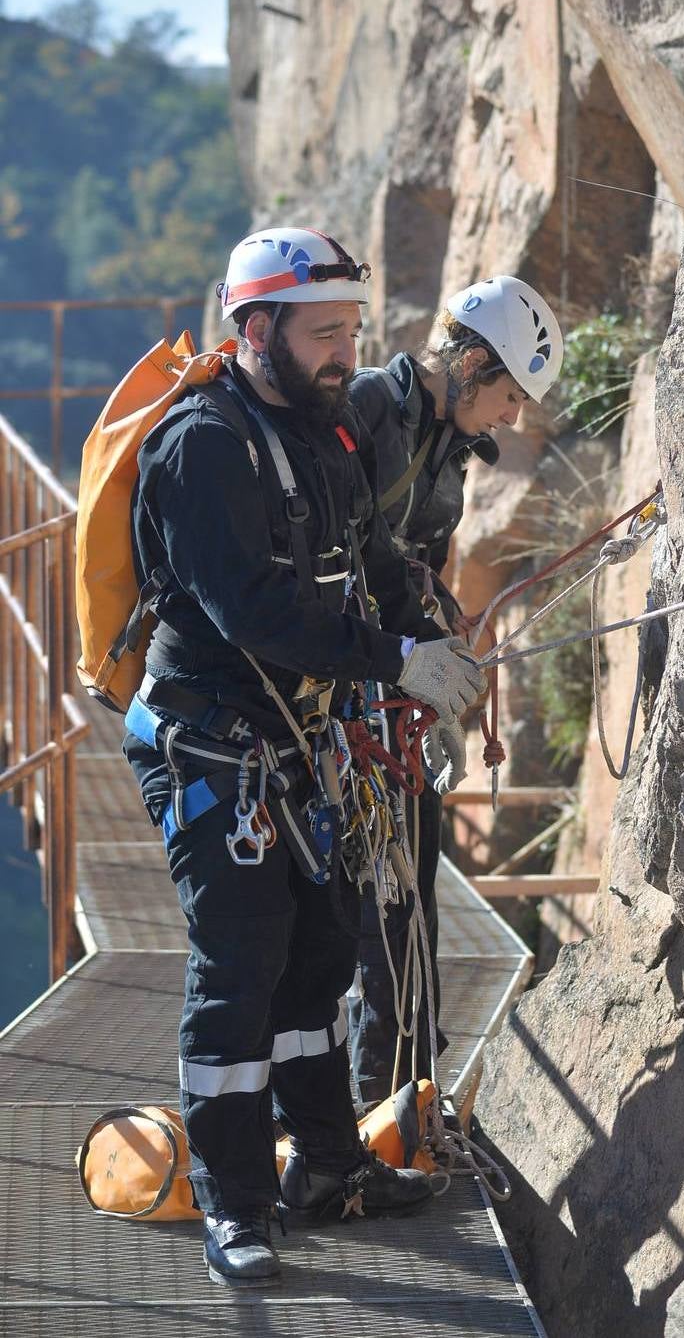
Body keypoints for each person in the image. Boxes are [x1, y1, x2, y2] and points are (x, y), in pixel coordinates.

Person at [120, 226, 484, 1288]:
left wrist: (428, 640)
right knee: (242, 965)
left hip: (293, 741)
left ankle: (323, 1165)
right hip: (208, 741)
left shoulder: (324, 434)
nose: (343, 354)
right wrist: (394, 660)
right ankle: (235, 1205)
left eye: (352, 333)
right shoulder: (201, 446)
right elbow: (257, 614)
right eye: (323, 333)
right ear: (256, 326)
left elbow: (369, 555)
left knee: (321, 956)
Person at [347, 276, 563, 1111]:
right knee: (365, 909)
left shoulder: (446, 450)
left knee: (414, 883)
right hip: (339, 698)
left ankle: (406, 1088)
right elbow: (344, 557)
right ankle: (368, 1104)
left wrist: (440, 664)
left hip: (392, 696)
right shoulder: (369, 413)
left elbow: (422, 571)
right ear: (472, 362)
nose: (512, 417)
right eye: (509, 395)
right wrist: (405, 662)